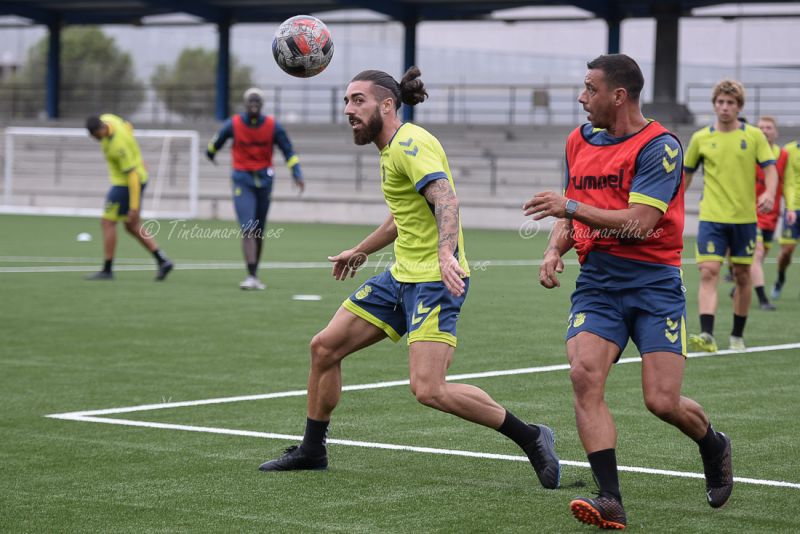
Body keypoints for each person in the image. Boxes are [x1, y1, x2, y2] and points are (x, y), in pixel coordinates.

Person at [258, 67, 561, 491]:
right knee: (324, 347)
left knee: (428, 388)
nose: (348, 109)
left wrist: (444, 254)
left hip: (436, 281)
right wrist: (361, 250)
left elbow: (445, 199)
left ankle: (531, 437)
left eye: (357, 100)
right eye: (346, 101)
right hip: (400, 277)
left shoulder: (410, 143)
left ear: (386, 105)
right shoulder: (390, 150)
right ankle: (313, 449)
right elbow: (403, 217)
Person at [524, 54, 733, 530]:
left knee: (662, 401)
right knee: (583, 375)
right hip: (598, 283)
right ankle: (610, 498)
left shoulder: (661, 146)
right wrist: (556, 247)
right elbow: (572, 208)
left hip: (653, 284)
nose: (581, 97)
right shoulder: (579, 140)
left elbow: (640, 224)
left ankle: (714, 444)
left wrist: (570, 206)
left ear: (618, 95)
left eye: (589, 89)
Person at [684, 79, 778, 352]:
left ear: (739, 107)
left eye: (730, 103)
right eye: (720, 102)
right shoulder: (701, 138)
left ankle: (737, 335)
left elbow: (770, 170)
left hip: (745, 220)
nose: (725, 107)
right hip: (712, 217)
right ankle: (708, 334)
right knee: (709, 271)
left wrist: (769, 193)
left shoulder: (753, 136)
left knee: (743, 276)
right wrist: (670, 205)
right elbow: (686, 176)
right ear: (714, 105)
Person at [206, 88, 305, 290]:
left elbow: (288, 150)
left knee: (259, 230)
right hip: (242, 181)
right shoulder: (233, 124)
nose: (254, 104)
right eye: (250, 100)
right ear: (245, 103)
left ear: (262, 104)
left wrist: (297, 173)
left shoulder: (272, 126)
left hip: (265, 181)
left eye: (257, 101)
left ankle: (255, 274)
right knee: (248, 227)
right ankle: (251, 276)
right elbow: (215, 143)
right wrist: (211, 153)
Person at [85, 114, 173, 281]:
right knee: (131, 225)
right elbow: (128, 125)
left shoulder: (118, 146)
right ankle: (162, 260)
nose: (96, 140)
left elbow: (132, 176)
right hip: (131, 177)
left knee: (108, 222)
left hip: (127, 183)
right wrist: (138, 157)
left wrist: (134, 206)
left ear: (101, 129)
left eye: (96, 136)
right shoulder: (108, 118)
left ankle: (107, 269)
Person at [745, 117, 795, 309]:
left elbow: (788, 182)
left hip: (771, 215)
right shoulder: (749, 153)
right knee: (756, 254)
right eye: (761, 128)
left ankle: (744, 283)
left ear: (776, 132)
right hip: (751, 212)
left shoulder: (782, 155)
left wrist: (789, 207)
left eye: (768, 127)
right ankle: (763, 299)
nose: (765, 131)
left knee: (761, 255)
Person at [772, 138, 800, 299]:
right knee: (787, 251)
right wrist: (788, 206)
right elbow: (786, 180)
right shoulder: (789, 150)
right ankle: (780, 277)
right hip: (794, 209)